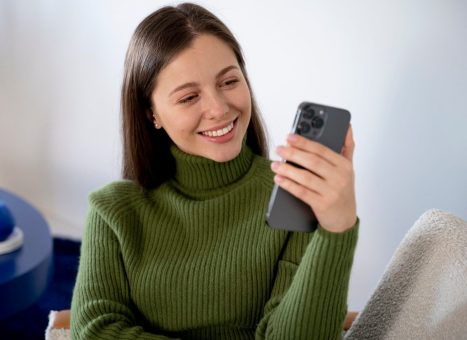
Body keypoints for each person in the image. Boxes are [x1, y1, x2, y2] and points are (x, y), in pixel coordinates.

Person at [71, 3, 359, 339]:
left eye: (229, 81)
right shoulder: (112, 211)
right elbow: (94, 332)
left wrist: (337, 228)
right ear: (153, 114)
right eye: (189, 97)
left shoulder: (295, 191)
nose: (219, 109)